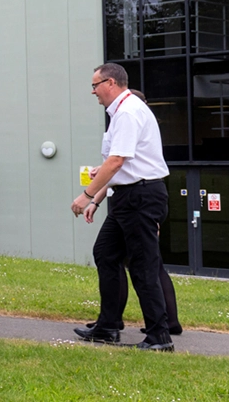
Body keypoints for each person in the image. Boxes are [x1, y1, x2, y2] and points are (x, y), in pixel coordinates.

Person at [71, 63, 174, 351]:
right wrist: (98, 198)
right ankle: (108, 327)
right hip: (127, 197)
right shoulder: (119, 114)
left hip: (141, 198)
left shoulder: (128, 112)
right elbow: (118, 165)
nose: (93, 91)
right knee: (105, 253)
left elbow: (116, 161)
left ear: (111, 83)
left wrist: (85, 195)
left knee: (143, 267)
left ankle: (159, 337)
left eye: (95, 85)